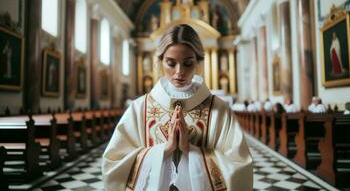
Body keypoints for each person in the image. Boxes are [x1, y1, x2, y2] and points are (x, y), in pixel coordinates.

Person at [102, 24, 253, 191]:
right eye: (171, 63)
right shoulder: (139, 109)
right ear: (160, 62)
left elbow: (239, 165)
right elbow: (113, 164)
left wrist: (190, 151)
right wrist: (164, 151)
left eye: (187, 63)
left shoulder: (219, 110)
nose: (179, 72)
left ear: (198, 63)